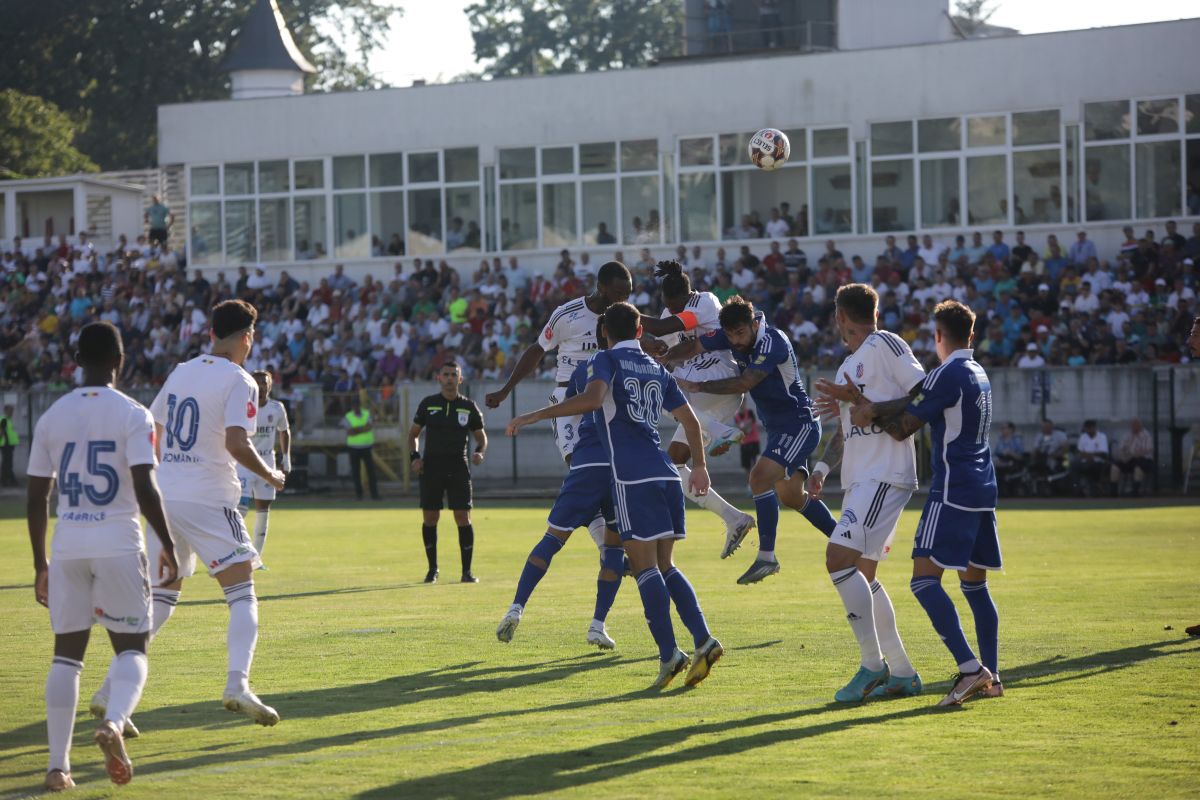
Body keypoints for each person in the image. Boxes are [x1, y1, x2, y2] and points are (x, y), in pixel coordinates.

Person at [507, 302, 722, 689]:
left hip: (631, 476)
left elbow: (591, 400)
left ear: (604, 333)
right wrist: (701, 466)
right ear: (641, 332)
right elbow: (690, 421)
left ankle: (669, 653)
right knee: (666, 566)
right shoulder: (658, 368)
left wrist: (535, 415)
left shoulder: (606, 360)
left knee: (645, 568)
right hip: (666, 472)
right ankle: (703, 638)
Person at [26, 322, 179, 791]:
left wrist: (39, 565)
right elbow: (144, 487)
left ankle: (58, 767)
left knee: (65, 659)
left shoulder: (52, 415)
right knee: (132, 648)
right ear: (120, 360)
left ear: (76, 361)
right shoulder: (132, 414)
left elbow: (35, 497)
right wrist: (168, 544)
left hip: (69, 545)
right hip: (118, 544)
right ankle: (114, 722)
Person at [846, 300, 1002, 705]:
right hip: (984, 487)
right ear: (970, 335)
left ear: (937, 336)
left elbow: (903, 429)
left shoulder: (945, 373)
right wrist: (877, 408)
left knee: (923, 580)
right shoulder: (978, 372)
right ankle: (993, 675)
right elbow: (919, 403)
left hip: (952, 490)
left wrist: (867, 414)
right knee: (975, 587)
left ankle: (970, 670)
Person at [139, 299, 286, 726]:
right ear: (247, 337)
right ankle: (237, 684)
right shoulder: (241, 380)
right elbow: (237, 444)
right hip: (209, 497)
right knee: (243, 595)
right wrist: (271, 475)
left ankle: (113, 688)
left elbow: (154, 430)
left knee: (163, 598)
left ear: (210, 335)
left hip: (166, 496)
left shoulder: (182, 371)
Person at [663, 297, 836, 585]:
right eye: (729, 335)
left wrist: (698, 386)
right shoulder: (733, 333)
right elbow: (694, 346)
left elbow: (746, 383)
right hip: (780, 430)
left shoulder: (772, 342)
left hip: (798, 424)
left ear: (755, 323)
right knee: (792, 496)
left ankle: (767, 557)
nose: (734, 340)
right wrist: (666, 357)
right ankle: (845, 539)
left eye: (740, 333)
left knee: (758, 478)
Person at [809, 284, 925, 702]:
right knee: (864, 575)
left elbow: (923, 392)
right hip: (861, 478)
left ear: (841, 316)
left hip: (885, 472)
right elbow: (845, 430)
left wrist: (869, 404)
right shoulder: (846, 368)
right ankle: (903, 673)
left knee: (837, 559)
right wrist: (821, 468)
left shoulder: (885, 344)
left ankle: (871, 666)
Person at [496, 320, 624, 649]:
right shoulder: (642, 366)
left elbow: (575, 406)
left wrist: (534, 415)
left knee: (552, 539)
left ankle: (516, 607)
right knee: (619, 551)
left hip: (588, 464)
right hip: (625, 469)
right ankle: (598, 624)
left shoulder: (587, 369)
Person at [637, 261, 756, 558]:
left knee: (656, 393)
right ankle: (735, 518)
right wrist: (655, 349)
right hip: (697, 399)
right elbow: (663, 343)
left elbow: (665, 328)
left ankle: (723, 433)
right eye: (667, 305)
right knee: (673, 464)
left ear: (684, 296)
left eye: (673, 304)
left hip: (717, 379)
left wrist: (625, 315)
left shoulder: (704, 302)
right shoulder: (669, 312)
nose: (671, 309)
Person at [485, 261, 632, 463]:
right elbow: (538, 349)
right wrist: (505, 390)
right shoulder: (567, 314)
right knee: (577, 463)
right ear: (600, 288)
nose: (624, 299)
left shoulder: (623, 317)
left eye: (628, 294)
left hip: (605, 397)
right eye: (618, 293)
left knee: (611, 466)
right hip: (568, 397)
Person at [409, 362, 487, 583]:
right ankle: (432, 570)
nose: (450, 378)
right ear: (439, 378)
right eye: (446, 374)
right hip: (431, 467)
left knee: (463, 517)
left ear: (460, 380)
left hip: (458, 467)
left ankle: (467, 572)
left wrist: (480, 452)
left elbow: (481, 438)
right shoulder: (428, 404)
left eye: (454, 375)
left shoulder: (469, 407)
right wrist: (414, 458)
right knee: (430, 517)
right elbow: (413, 434)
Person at [237, 371, 291, 563]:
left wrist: (286, 458)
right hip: (245, 462)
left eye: (265, 383)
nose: (261, 387)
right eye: (257, 383)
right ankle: (235, 551)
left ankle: (256, 559)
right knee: (240, 509)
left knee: (263, 510)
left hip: (268, 463)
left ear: (270, 385)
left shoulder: (277, 408)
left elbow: (284, 431)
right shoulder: (244, 407)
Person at [343, 393, 380, 501]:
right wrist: (362, 428)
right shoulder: (348, 416)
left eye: (357, 405)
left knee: (371, 472)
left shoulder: (366, 413)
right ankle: (359, 495)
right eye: (354, 405)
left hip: (366, 447)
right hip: (353, 448)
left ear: (359, 405)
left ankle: (375, 495)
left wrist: (356, 429)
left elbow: (368, 428)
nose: (356, 407)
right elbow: (350, 432)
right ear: (352, 406)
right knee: (356, 473)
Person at [1109, 418, 1153, 498]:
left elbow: (1147, 450)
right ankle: (1113, 492)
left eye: (1135, 426)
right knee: (1114, 467)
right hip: (1129, 459)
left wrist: (1133, 453)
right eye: (1132, 426)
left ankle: (1135, 492)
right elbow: (1121, 448)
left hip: (1143, 459)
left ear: (1140, 426)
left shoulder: (1146, 435)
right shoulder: (1128, 435)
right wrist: (1125, 455)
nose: (1133, 428)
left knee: (1138, 468)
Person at [1073, 420, 1109, 495]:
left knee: (1091, 465)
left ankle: (1094, 489)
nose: (1089, 430)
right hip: (1084, 462)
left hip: (1099, 462)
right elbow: (1079, 452)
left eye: (1091, 428)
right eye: (1087, 428)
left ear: (1095, 428)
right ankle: (1077, 488)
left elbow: (1103, 453)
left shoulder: (1102, 436)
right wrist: (1090, 455)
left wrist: (1089, 455)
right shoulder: (1083, 437)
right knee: (1073, 465)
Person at [992, 423, 1028, 497]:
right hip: (1001, 463)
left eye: (1004, 428)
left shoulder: (1017, 440)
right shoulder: (1000, 440)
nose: (1002, 430)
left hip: (1013, 463)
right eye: (1002, 428)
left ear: (1011, 429)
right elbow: (995, 454)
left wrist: (1010, 453)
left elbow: (1021, 456)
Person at [735, 401, 760, 482]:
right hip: (744, 443)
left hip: (754, 442)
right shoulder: (737, 416)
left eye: (743, 403)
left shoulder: (750, 412)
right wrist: (744, 427)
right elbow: (742, 429)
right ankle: (749, 484)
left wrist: (743, 427)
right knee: (746, 466)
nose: (741, 405)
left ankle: (757, 482)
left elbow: (747, 429)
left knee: (755, 464)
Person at [0, 402, 17, 487]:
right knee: (6, 464)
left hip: (9, 445)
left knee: (8, 463)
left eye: (12, 411)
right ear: (6, 410)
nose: (12, 412)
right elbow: (1, 432)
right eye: (10, 411)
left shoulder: (7, 419)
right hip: (5, 445)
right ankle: (5, 481)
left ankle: (10, 480)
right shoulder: (4, 419)